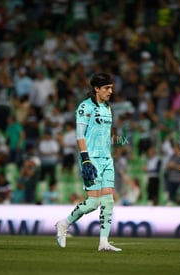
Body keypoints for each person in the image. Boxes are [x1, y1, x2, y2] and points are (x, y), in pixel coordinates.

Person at [55, 73, 122, 252]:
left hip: (107, 158)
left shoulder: (108, 108)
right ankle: (63, 223)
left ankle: (103, 242)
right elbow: (79, 136)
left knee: (108, 200)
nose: (110, 91)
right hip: (90, 159)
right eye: (107, 88)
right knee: (93, 202)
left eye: (111, 88)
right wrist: (85, 159)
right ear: (96, 89)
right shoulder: (85, 107)